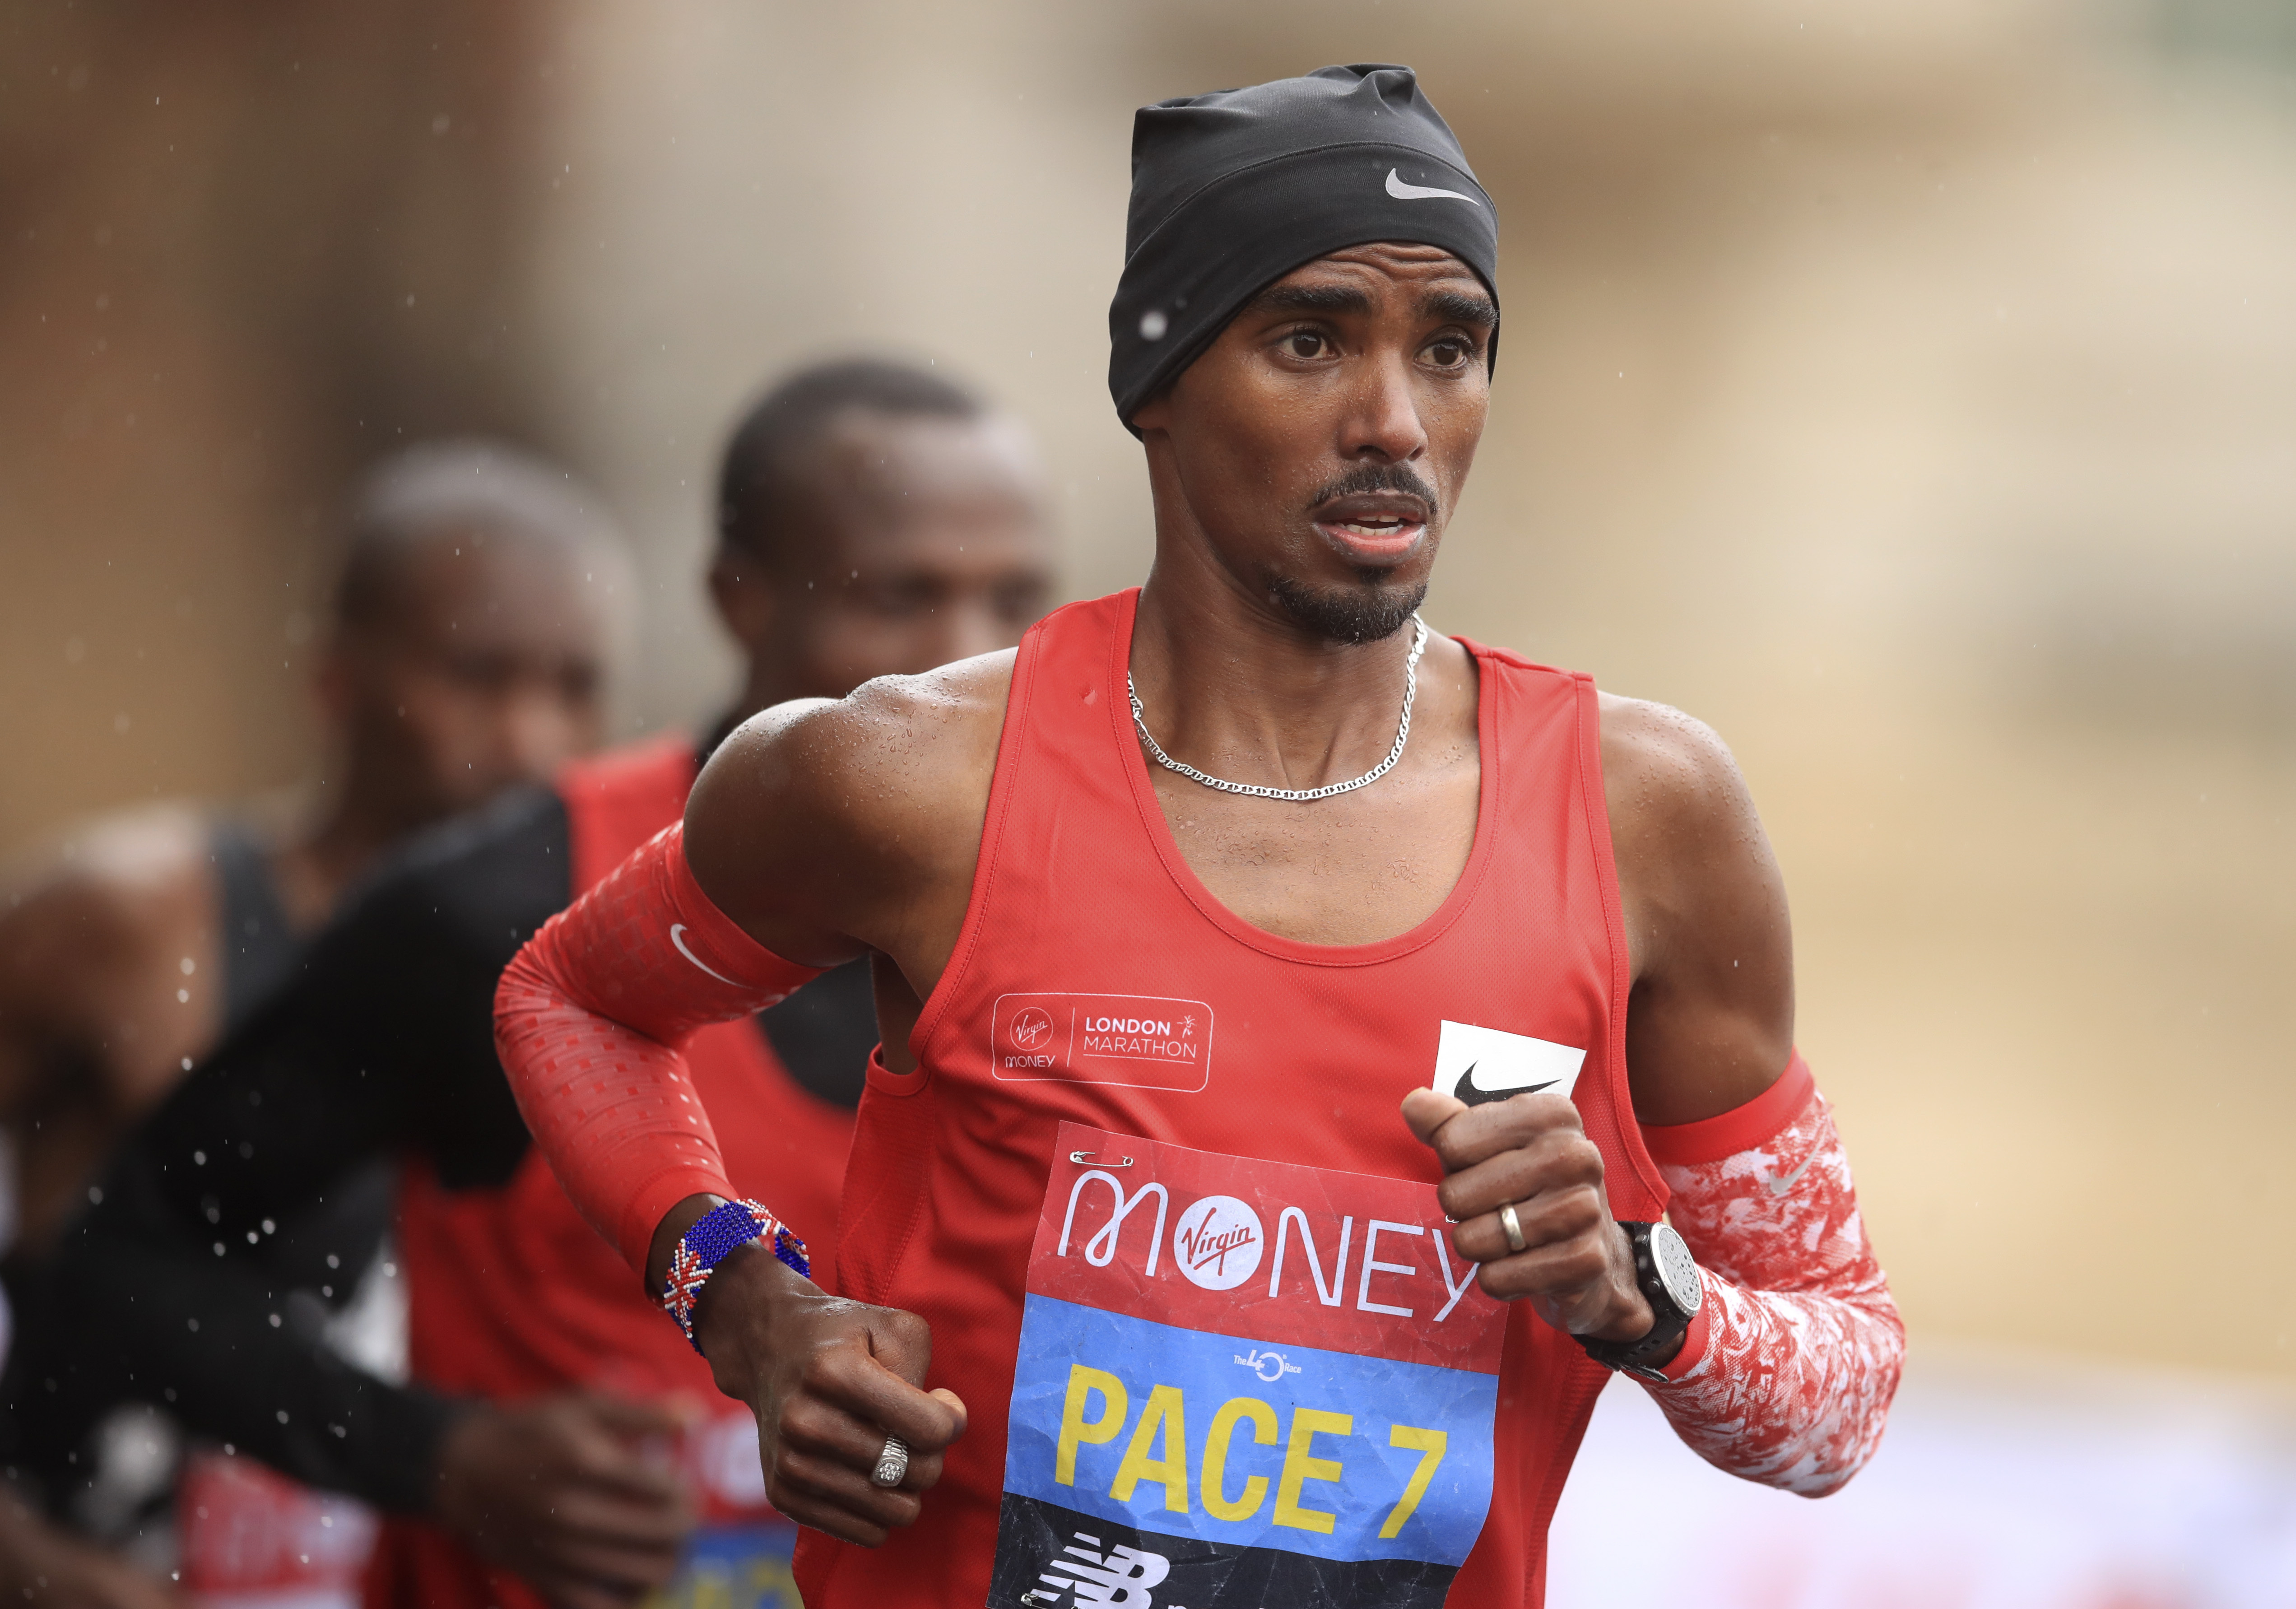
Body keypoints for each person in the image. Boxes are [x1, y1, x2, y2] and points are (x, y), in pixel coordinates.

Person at [492, 65, 1906, 1609]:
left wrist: (1643, 1288)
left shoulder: (1647, 815)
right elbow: (572, 998)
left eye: (1452, 348)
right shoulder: (905, 778)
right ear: (1156, 378)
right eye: (1311, 341)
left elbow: (1840, 1397)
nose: (1394, 423)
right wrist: (747, 1307)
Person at [58, 359, 1057, 1609]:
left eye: (1011, 598)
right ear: (739, 600)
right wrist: (442, 1457)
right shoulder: (499, 906)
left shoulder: (1085, 926)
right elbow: (124, 1265)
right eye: (899, 595)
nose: (960, 655)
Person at [0, 441, 627, 1606]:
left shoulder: (599, 979)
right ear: (336, 678)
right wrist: (31, 1566)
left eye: (574, 685)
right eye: (480, 675)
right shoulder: (133, 923)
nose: (533, 736)